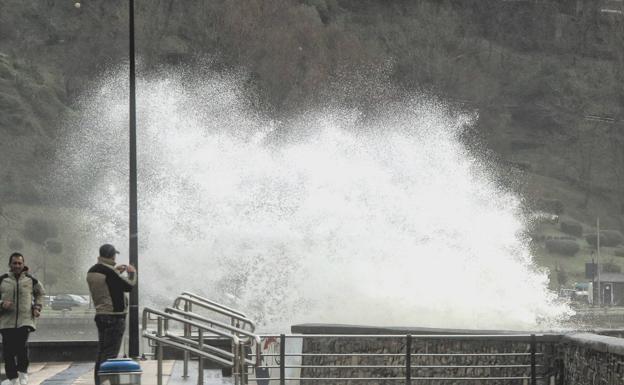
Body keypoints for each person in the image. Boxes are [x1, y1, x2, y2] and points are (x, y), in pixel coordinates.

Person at [86, 244, 137, 385]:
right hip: (114, 316)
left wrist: (116, 272)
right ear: (112, 255)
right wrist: (132, 272)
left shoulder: (93, 270)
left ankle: (99, 382)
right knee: (110, 355)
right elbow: (129, 286)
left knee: (101, 353)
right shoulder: (109, 272)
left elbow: (108, 286)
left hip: (101, 315)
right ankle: (105, 382)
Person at [0, 252, 45, 385]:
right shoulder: (3, 280)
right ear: (10, 264)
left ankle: (23, 374)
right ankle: (13, 379)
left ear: (23, 264)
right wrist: (2, 304)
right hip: (6, 321)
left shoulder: (31, 280)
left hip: (25, 320)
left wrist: (37, 307)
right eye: (15, 263)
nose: (17, 265)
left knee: (21, 347)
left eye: (20, 263)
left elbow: (40, 293)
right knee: (8, 352)